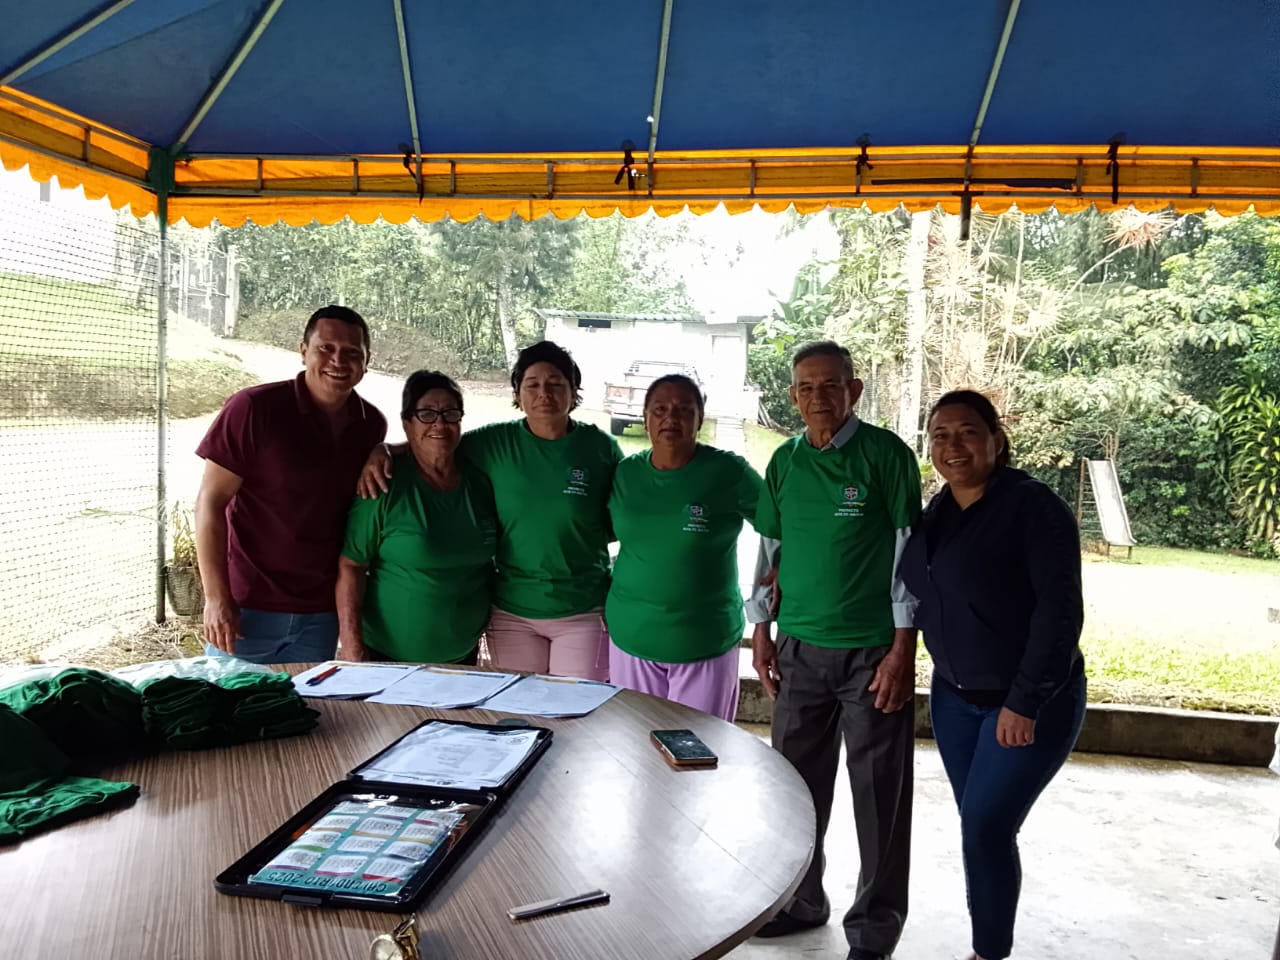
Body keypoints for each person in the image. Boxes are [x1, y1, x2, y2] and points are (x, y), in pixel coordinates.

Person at [748, 341, 921, 960]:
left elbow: (907, 555)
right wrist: (761, 628)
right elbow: (769, 551)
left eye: (830, 385)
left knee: (879, 795)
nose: (817, 397)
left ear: (854, 390)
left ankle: (874, 930)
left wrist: (903, 648)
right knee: (795, 789)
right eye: (806, 387)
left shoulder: (886, 456)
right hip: (799, 648)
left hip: (871, 654)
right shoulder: (785, 461)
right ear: (793, 395)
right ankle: (800, 900)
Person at [899, 389, 1086, 960]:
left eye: (967, 432)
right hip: (955, 700)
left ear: (996, 441)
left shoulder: (1033, 508)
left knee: (985, 827)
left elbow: (1059, 613)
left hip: (1027, 703)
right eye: (940, 435)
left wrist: (1025, 702)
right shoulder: (937, 513)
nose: (952, 446)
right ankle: (988, 942)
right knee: (978, 827)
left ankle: (988, 952)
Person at [359, 341, 621, 680]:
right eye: (532, 384)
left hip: (582, 607)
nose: (544, 393)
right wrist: (384, 449)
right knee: (514, 702)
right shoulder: (492, 443)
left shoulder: (600, 448)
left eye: (556, 383)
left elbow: (620, 517)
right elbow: (437, 439)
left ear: (573, 391)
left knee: (575, 701)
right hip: (511, 610)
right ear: (518, 393)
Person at [195, 305, 387, 664]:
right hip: (248, 608)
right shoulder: (253, 408)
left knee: (310, 700)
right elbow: (210, 502)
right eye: (325, 348)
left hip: (321, 614)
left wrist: (386, 448)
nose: (338, 361)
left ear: (366, 361)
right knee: (231, 698)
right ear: (303, 351)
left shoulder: (370, 423)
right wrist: (216, 598)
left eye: (351, 352)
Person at [605, 374, 762, 721]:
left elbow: (779, 524)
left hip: (704, 641)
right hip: (631, 637)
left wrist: (780, 565)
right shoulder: (625, 474)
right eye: (659, 409)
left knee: (698, 745)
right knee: (634, 743)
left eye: (683, 410)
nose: (670, 418)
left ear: (700, 418)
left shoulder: (727, 471)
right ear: (645, 418)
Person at [336, 371, 497, 664]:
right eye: (427, 414)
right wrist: (351, 647)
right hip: (387, 656)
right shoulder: (382, 483)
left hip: (463, 655)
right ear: (407, 423)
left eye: (450, 413)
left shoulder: (480, 482)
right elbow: (352, 565)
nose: (440, 423)